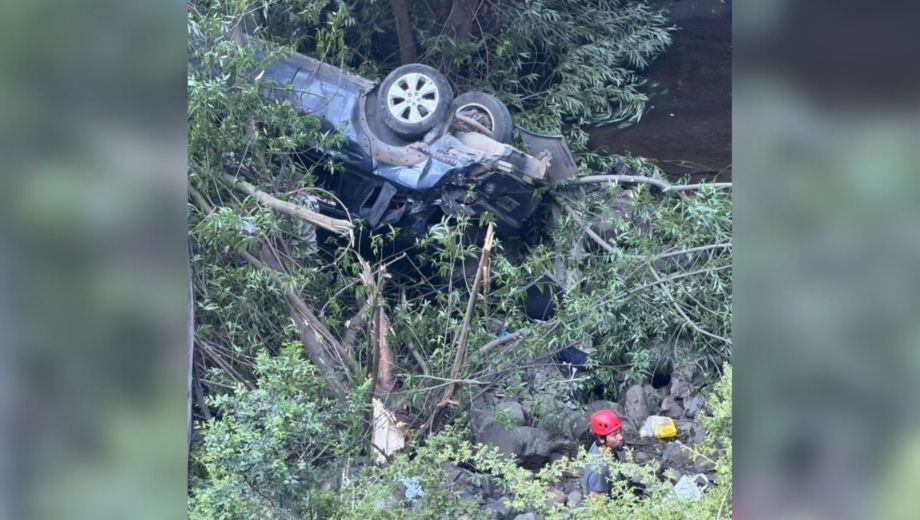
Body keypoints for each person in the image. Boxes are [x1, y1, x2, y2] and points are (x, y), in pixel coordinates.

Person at [582, 409, 625, 497]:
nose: (620, 437)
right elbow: (599, 507)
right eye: (614, 435)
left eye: (620, 431)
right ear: (601, 438)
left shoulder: (603, 447)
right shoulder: (599, 471)